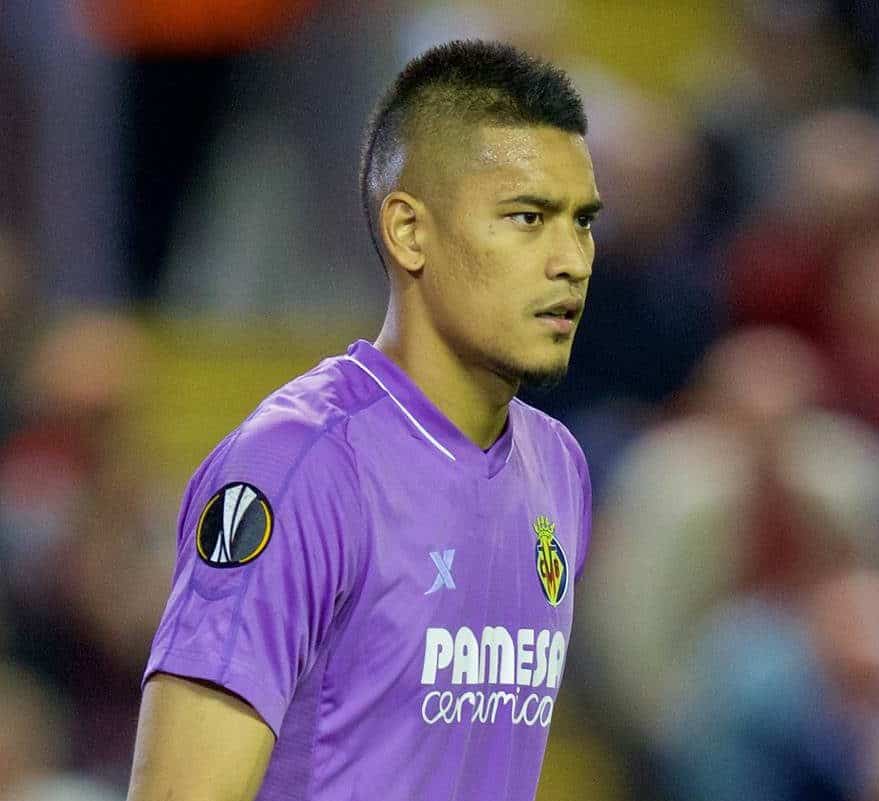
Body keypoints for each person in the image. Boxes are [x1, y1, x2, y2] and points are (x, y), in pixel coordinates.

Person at [125, 39, 600, 801]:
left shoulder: (560, 468)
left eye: (582, 221)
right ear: (410, 232)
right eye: (527, 217)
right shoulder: (298, 467)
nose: (572, 258)